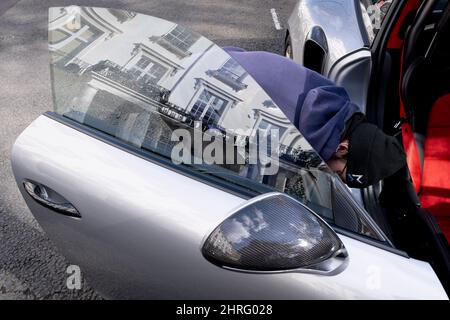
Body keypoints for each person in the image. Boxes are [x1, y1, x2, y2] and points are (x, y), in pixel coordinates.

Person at [224, 47, 406, 188]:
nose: (333, 177)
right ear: (342, 148)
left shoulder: (334, 104)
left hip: (222, 55)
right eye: (339, 174)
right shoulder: (296, 139)